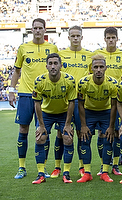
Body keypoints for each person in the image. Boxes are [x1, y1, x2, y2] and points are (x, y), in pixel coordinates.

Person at [8, 18, 58, 179]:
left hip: (45, 96)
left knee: (44, 132)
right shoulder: (23, 48)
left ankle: (42, 169)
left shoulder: (52, 48)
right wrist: (11, 90)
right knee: (23, 130)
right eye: (35, 28)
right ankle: (21, 167)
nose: (37, 30)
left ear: (45, 30)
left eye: (40, 28)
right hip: (25, 94)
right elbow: (17, 71)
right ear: (31, 30)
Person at [50, 25, 93, 178]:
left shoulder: (89, 55)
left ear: (82, 37)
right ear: (68, 37)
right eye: (72, 36)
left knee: (82, 133)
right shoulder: (61, 55)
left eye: (78, 35)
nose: (75, 38)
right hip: (64, 102)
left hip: (82, 101)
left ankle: (82, 167)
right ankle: (57, 167)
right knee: (61, 134)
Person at [32, 53, 76, 184]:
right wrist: (41, 125)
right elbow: (37, 103)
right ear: (46, 66)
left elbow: (72, 102)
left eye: (55, 63)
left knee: (68, 137)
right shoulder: (39, 81)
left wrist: (68, 124)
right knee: (40, 138)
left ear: (61, 66)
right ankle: (41, 174)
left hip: (63, 113)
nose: (53, 66)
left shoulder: (69, 80)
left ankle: (66, 173)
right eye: (50, 64)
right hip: (46, 113)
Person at [94, 27, 122, 176]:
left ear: (117, 39)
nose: (110, 40)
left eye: (113, 38)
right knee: (102, 134)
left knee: (116, 133)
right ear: (104, 39)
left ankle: (115, 165)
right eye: (108, 38)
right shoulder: (97, 55)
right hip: (101, 100)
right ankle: (104, 165)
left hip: (117, 99)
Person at [76, 54, 118, 183]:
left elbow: (114, 105)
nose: (98, 70)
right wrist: (83, 125)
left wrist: (111, 127)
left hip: (106, 112)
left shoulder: (113, 83)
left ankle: (105, 172)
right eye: (96, 67)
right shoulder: (83, 83)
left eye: (101, 67)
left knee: (108, 140)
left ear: (106, 68)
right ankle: (87, 172)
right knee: (84, 139)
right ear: (91, 68)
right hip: (89, 112)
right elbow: (80, 104)